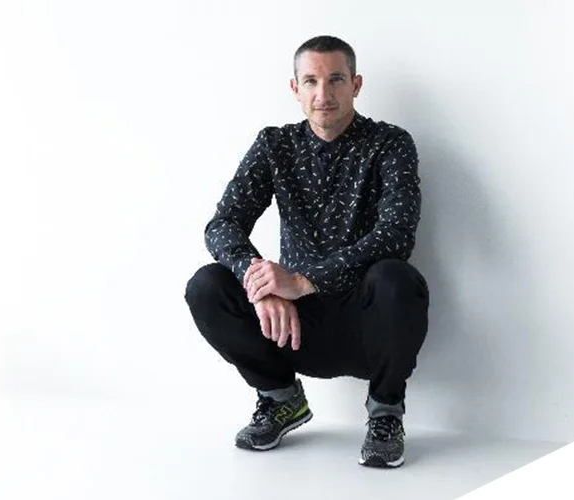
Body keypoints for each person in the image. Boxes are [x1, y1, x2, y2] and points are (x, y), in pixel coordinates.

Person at [184, 35, 429, 469]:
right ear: (295, 89)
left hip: (366, 324)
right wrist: (262, 284)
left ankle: (386, 413)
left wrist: (303, 280)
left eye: (336, 79)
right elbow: (222, 224)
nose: (323, 94)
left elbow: (396, 234)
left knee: (397, 278)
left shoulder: (390, 143)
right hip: (291, 328)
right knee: (206, 285)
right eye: (311, 81)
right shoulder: (274, 145)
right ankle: (281, 399)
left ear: (355, 84)